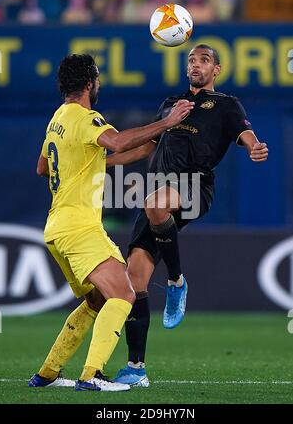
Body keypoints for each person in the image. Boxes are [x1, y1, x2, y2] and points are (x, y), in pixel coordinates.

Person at [28, 53, 194, 392]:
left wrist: (147, 145)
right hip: (79, 229)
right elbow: (116, 142)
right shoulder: (87, 119)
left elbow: (43, 167)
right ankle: (91, 376)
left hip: (57, 227)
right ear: (90, 83)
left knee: (97, 299)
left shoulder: (58, 118)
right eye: (98, 79)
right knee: (124, 293)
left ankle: (47, 373)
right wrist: (166, 122)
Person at [106, 44, 269, 387]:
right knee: (133, 280)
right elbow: (147, 147)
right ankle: (136, 368)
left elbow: (246, 135)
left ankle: (177, 282)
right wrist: (103, 163)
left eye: (204, 60)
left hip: (195, 186)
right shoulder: (171, 105)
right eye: (192, 60)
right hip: (160, 191)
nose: (196, 64)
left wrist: (254, 147)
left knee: (153, 204)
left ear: (217, 69)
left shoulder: (226, 104)